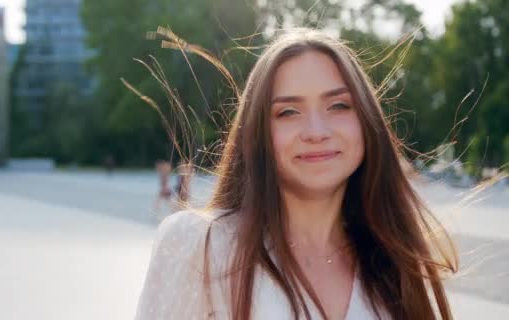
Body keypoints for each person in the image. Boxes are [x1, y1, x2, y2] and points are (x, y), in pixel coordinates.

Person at [135, 28, 457, 320]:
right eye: (288, 112)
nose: (316, 131)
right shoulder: (200, 245)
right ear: (258, 132)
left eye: (339, 106)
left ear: (367, 121)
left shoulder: (392, 263)